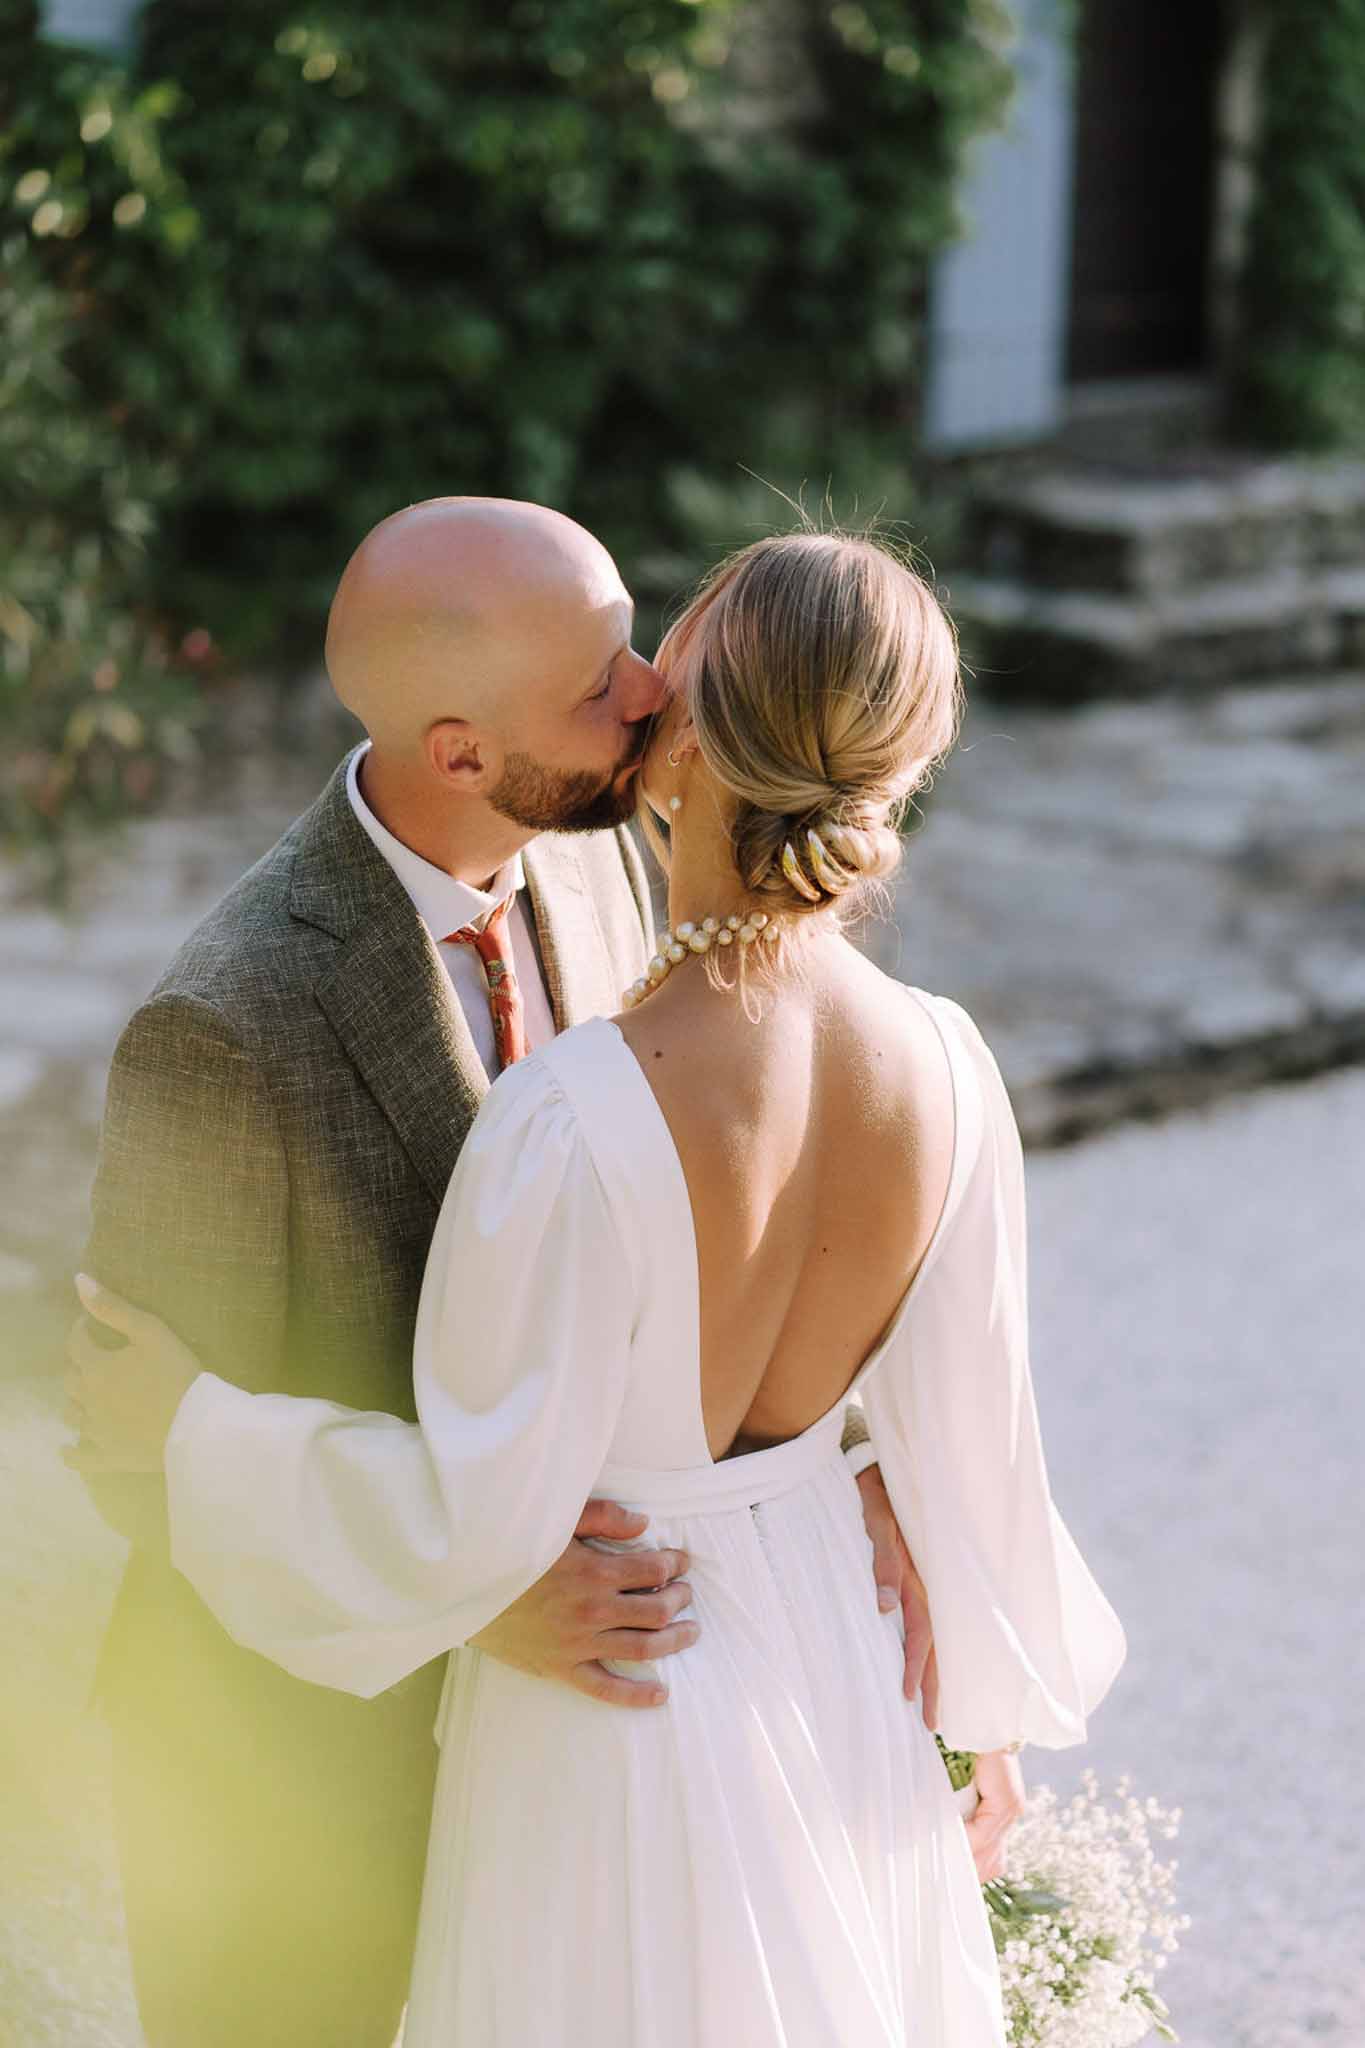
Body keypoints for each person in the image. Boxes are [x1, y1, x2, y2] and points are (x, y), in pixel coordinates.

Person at [70, 528, 1124, 2046]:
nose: (635, 695)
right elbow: (116, 1441)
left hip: (638, 1713)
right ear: (461, 747)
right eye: (603, 679)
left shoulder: (602, 972)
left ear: (712, 737)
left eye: (652, 650)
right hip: (335, 1769)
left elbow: (524, 1461)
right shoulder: (227, 1018)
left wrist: (862, 1470)